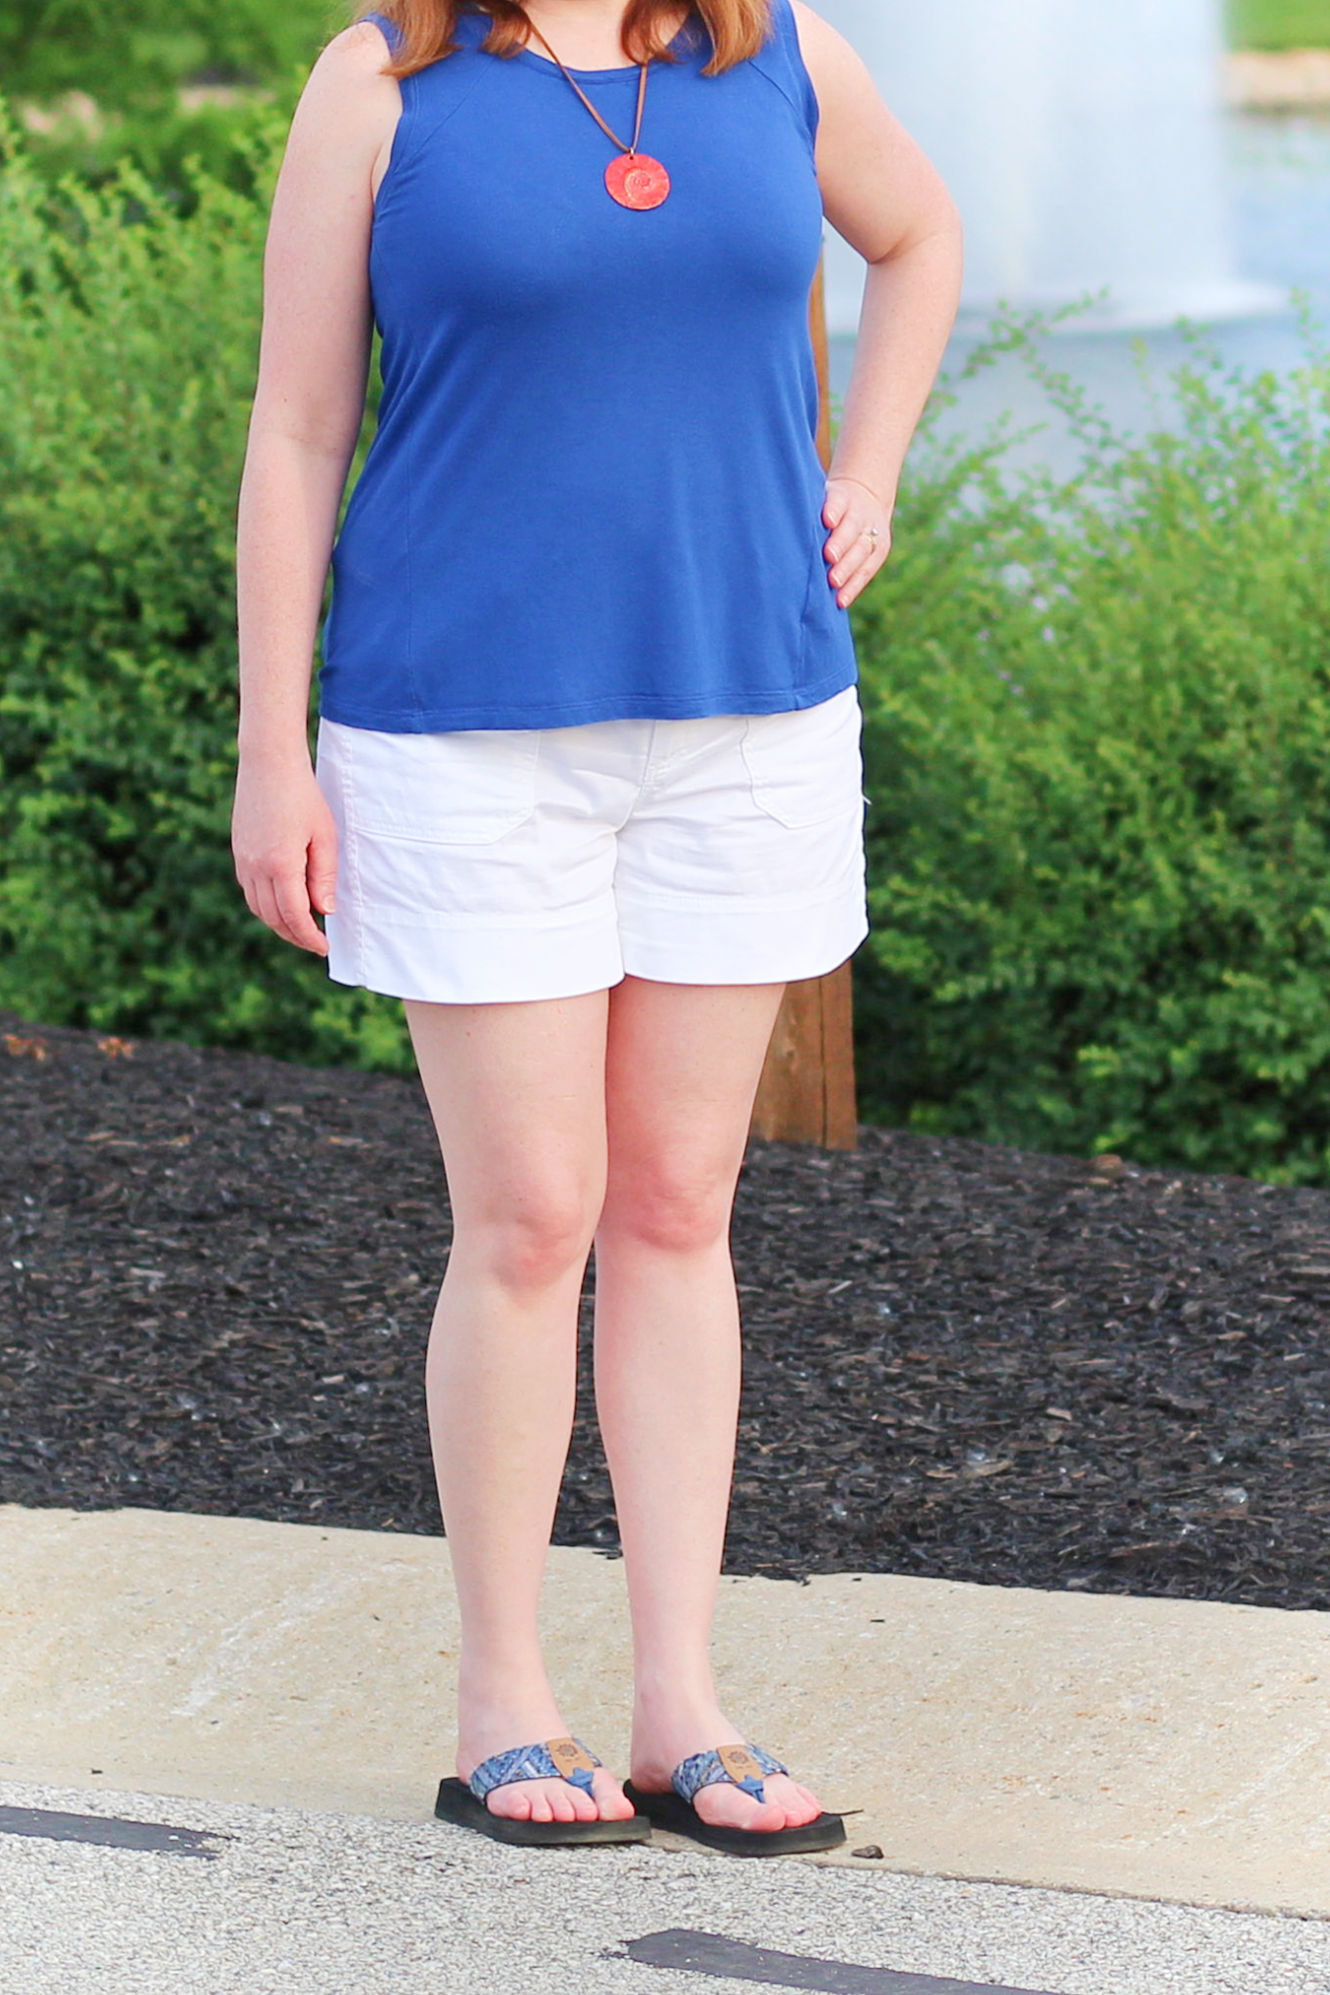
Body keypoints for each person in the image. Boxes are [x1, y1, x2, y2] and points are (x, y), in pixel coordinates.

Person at [232, 0, 962, 1855]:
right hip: (462, 735)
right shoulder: (380, 81)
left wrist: (866, 464)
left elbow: (920, 233)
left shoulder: (774, 52)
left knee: (674, 1206)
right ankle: (503, 1701)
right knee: (533, 1215)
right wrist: (268, 750)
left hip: (747, 719)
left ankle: (679, 1706)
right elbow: (300, 427)